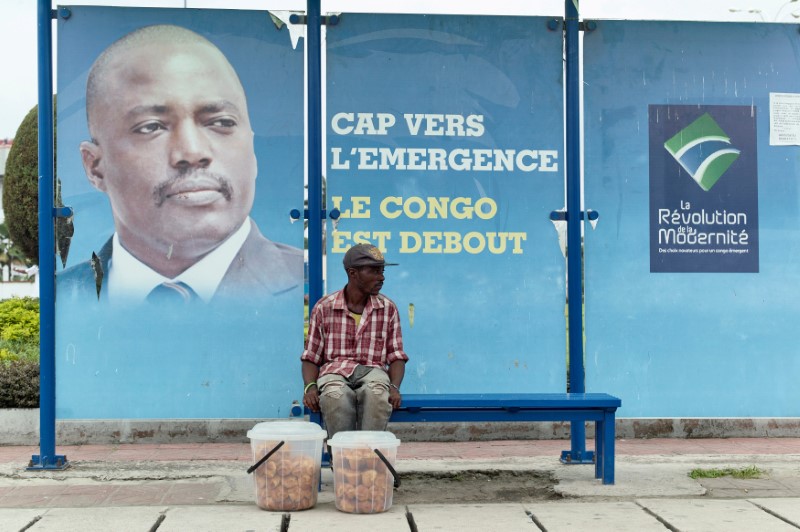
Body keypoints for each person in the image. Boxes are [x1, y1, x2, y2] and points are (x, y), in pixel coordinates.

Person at [58, 24, 302, 303]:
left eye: (221, 122)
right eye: (151, 127)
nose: (193, 151)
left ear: (252, 149)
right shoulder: (63, 298)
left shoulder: (304, 284)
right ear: (94, 167)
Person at [301, 243, 408, 439]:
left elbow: (396, 355)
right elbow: (311, 356)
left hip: (373, 371)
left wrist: (394, 387)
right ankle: (344, 461)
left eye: (382, 271)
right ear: (353, 273)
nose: (381, 277)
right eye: (374, 271)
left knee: (377, 395)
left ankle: (368, 460)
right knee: (335, 396)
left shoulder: (388, 308)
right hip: (334, 372)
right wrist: (310, 387)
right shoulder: (324, 307)